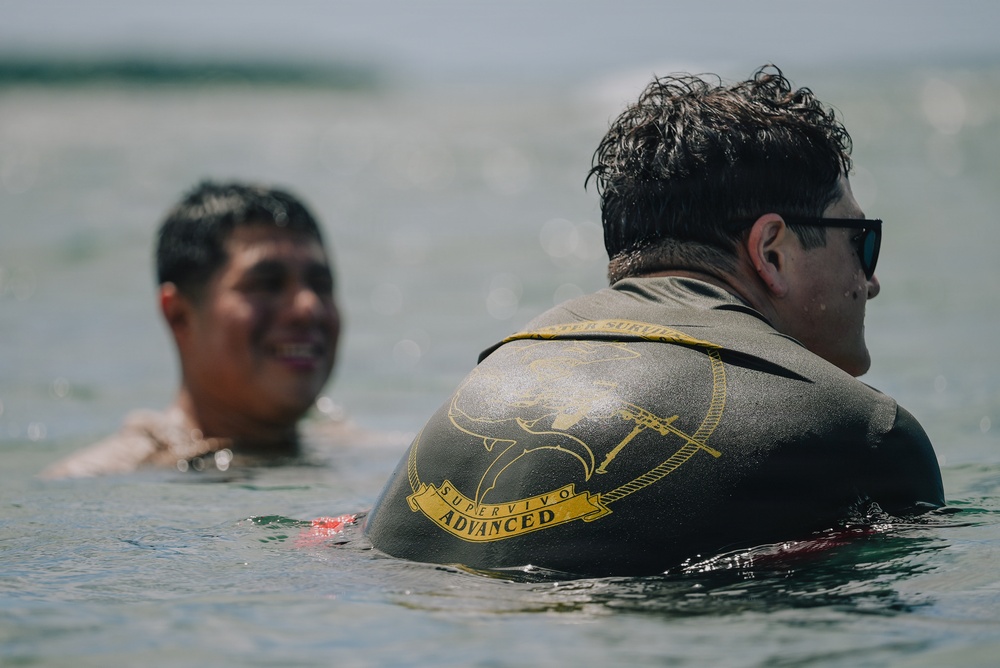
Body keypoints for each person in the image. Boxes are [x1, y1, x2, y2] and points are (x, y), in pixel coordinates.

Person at [362, 65, 945, 577]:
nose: (869, 281)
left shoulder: (478, 388)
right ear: (772, 251)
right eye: (862, 243)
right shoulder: (864, 434)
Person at [43, 181, 347, 478]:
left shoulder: (357, 453)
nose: (308, 308)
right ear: (179, 316)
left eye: (322, 285)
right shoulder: (100, 480)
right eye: (266, 285)